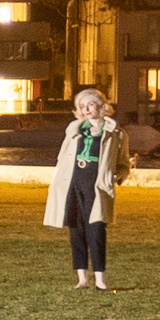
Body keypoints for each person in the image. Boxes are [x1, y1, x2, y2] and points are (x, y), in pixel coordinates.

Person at [43, 88, 134, 291]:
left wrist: (118, 176)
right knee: (76, 230)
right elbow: (62, 157)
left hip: (97, 185)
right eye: (82, 106)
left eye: (90, 105)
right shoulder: (74, 130)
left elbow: (123, 164)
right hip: (73, 183)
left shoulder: (116, 133)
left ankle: (100, 280)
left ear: (101, 106)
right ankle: (82, 279)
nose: (86, 109)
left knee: (97, 230)